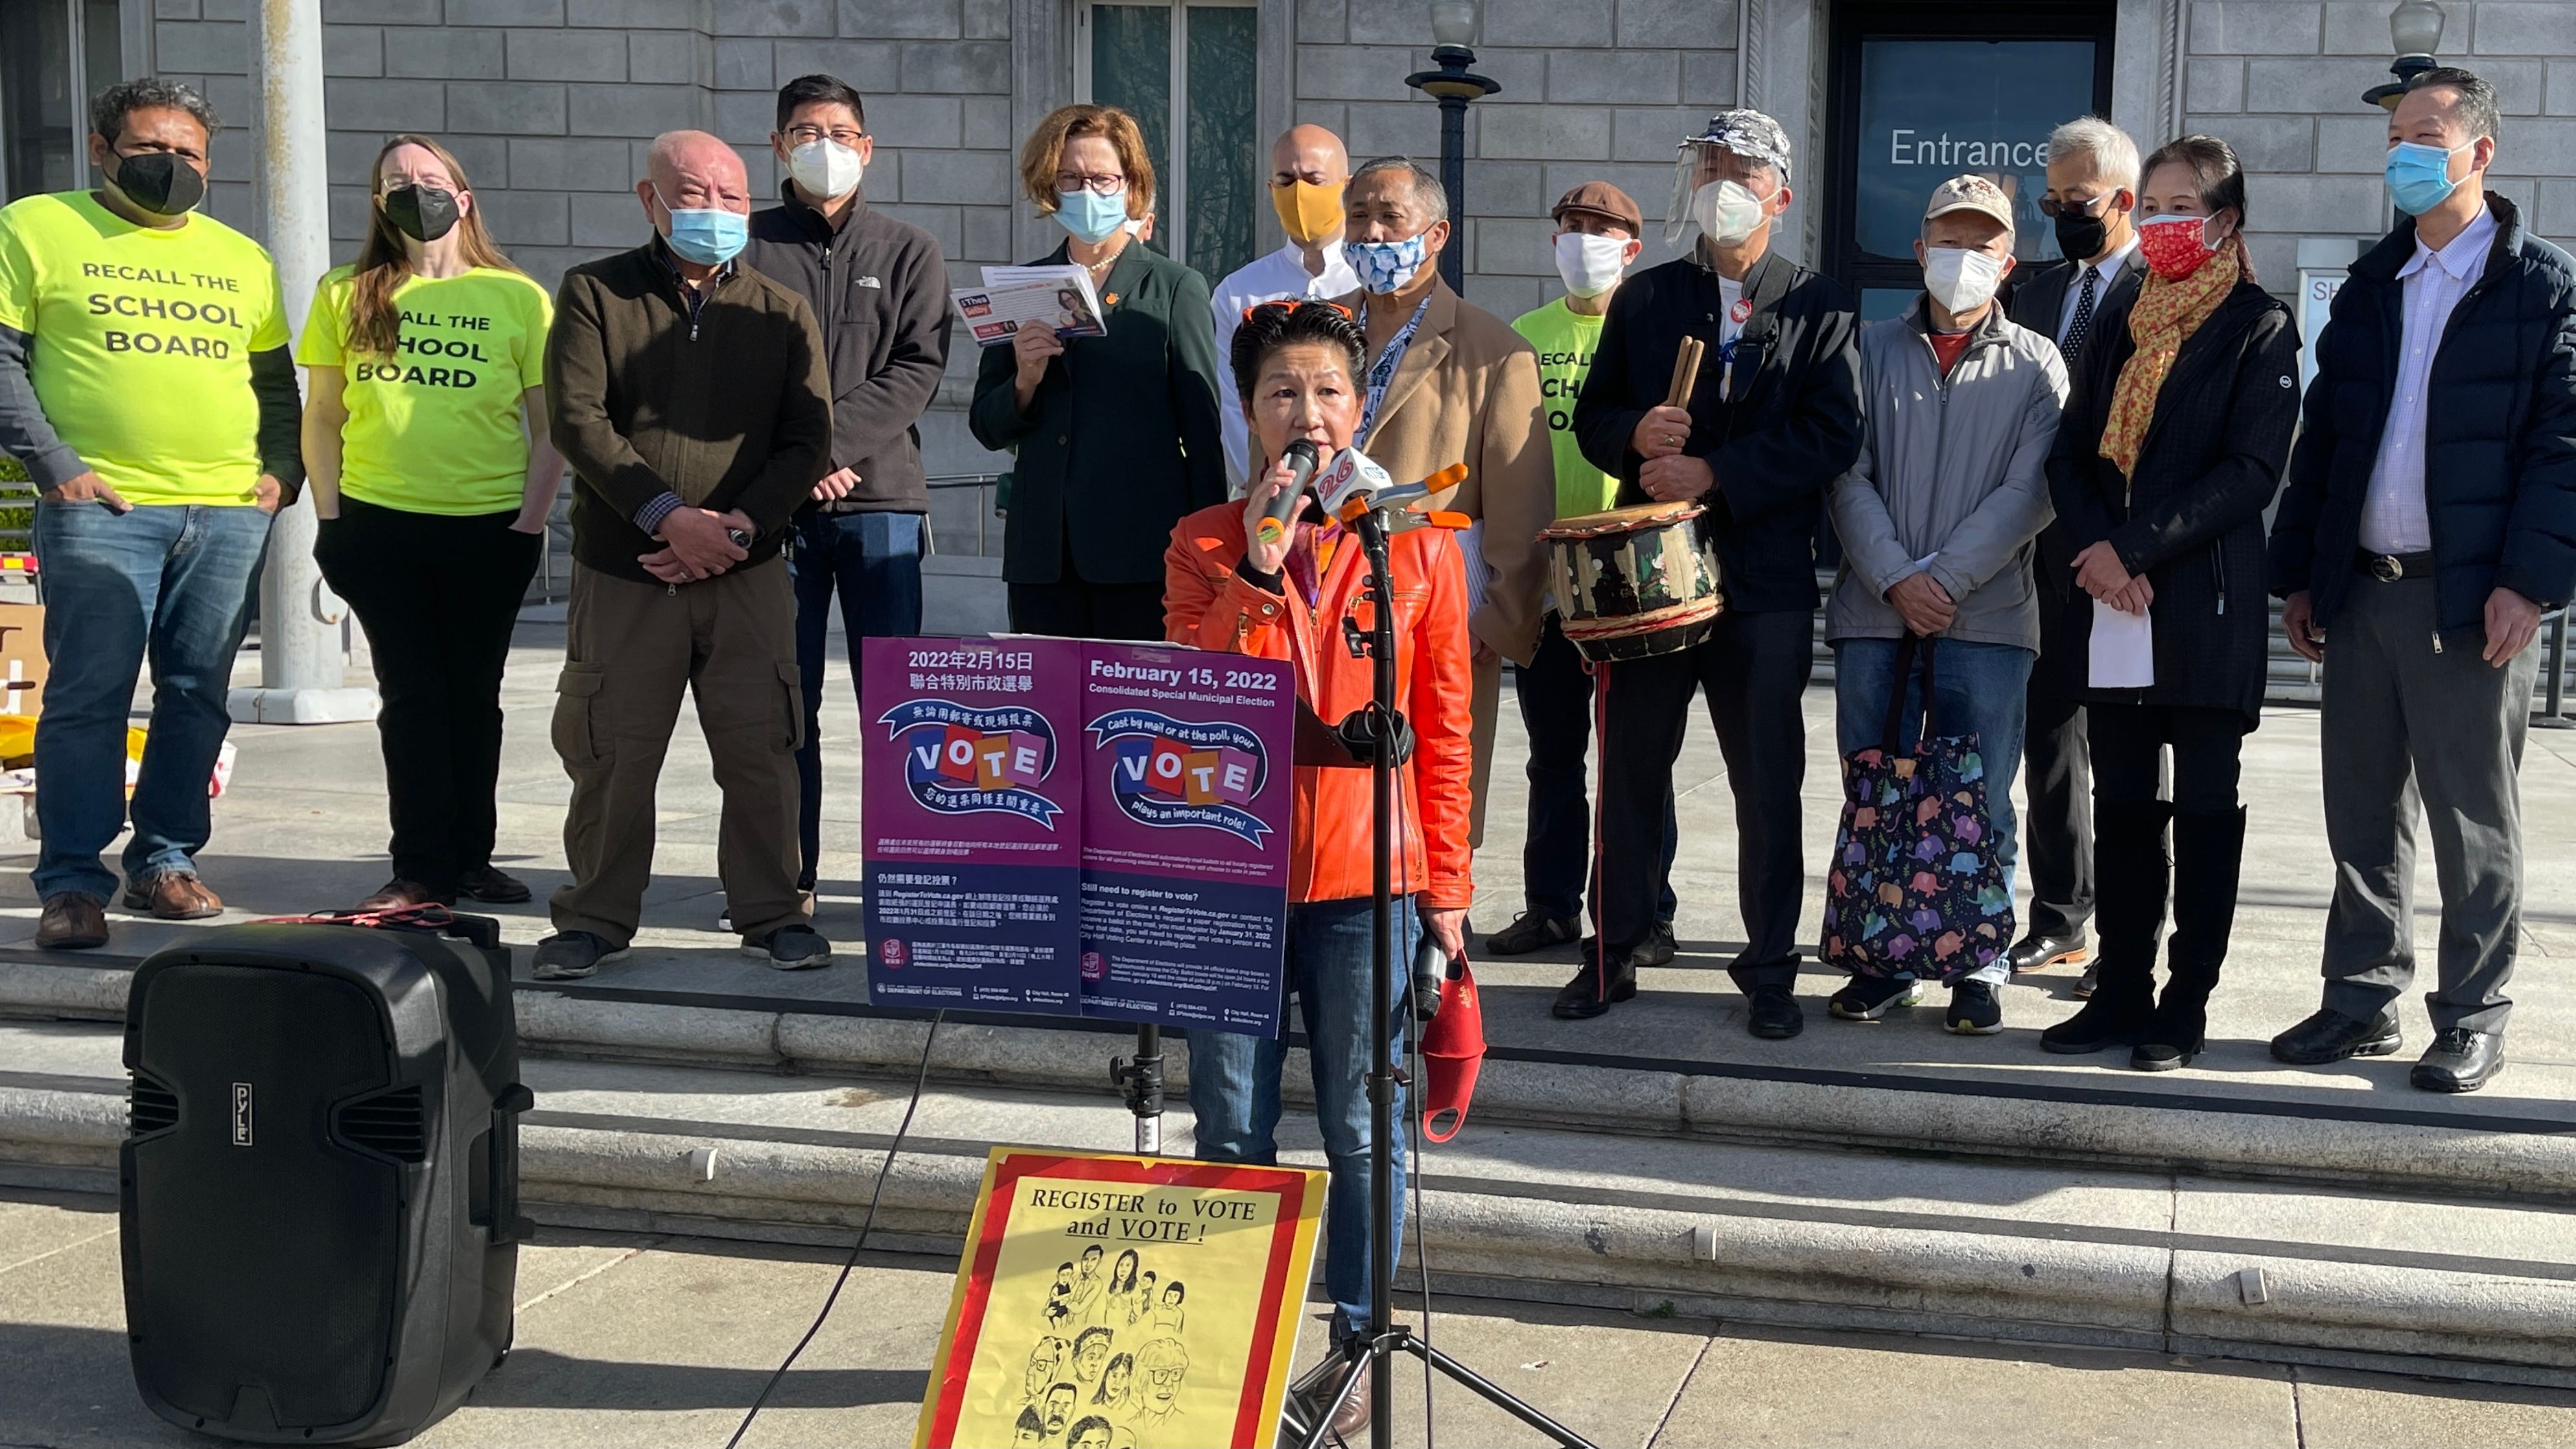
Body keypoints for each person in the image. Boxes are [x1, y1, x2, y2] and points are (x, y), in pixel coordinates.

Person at [1166, 301, 1472, 1439]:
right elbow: (1196, 700)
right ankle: (1222, 1347)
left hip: (1369, 883)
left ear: (1360, 408)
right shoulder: (1200, 539)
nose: (1306, 415)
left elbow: (1443, 727)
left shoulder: (1418, 545)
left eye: (1327, 393)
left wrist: (1445, 889)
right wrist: (1254, 567)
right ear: (1248, 413)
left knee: (1359, 1125)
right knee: (1231, 1126)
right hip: (1228, 882)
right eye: (1281, 394)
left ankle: (1350, 1351)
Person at [2268, 69, 2576, 1094]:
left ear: (2479, 151)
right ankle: (2359, 997)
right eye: (2396, 133)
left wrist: (2528, 582)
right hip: (2361, 589)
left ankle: (2474, 1012)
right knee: (2361, 810)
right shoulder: (2372, 281)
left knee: (2470, 818)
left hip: (2467, 598)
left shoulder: (2539, 283)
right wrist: (2302, 573)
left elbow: (2561, 446)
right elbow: (2326, 438)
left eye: (2424, 132)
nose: (2402, 149)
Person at [1569, 109, 1864, 1038]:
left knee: (1766, 781)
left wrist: (1717, 473)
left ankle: (1769, 966)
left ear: (1780, 188)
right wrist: (1633, 433)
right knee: (1626, 766)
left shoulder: (1821, 305)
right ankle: (1612, 948)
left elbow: (1832, 433)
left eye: (1742, 168)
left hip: (1762, 579)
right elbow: (1595, 413)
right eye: (1708, 164)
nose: (1722, 182)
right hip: (1648, 576)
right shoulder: (1648, 297)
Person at [0, 79, 300, 951]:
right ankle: (71, 882)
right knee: (89, 695)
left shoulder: (241, 257)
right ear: (101, 150)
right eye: (148, 149)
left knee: (198, 693)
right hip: (106, 506)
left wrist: (281, 471)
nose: (170, 166)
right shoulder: (34, 226)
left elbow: (274, 382)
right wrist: (56, 468)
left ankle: (165, 859)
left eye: (188, 154)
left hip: (228, 507)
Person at [532, 130, 834, 980]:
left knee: (762, 743)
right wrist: (667, 518)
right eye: (694, 194)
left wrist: (735, 528)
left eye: (733, 196)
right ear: (650, 198)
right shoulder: (596, 293)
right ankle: (593, 914)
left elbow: (807, 435)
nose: (716, 211)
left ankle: (775, 910)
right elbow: (579, 421)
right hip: (628, 571)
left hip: (749, 568)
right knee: (612, 749)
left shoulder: (778, 310)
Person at [2038, 135, 2298, 1071]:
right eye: (2149, 204)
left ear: (2225, 218)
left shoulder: (2257, 323)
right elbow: (2069, 454)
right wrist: (2099, 553)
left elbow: (2249, 472)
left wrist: (2132, 547)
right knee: (2122, 805)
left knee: (2199, 804)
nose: (2161, 223)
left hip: (2204, 606)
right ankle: (2118, 986)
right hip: (2115, 603)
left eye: (2181, 204)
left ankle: (2183, 997)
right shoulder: (2119, 317)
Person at [1824, 174, 2068, 1034]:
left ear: (2007, 262)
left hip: (1989, 618)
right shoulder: (1862, 349)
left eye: (1982, 244)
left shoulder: (2038, 363)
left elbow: (2030, 490)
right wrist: (1896, 576)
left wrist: (1945, 580)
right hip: (1874, 611)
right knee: (1877, 788)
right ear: (1920, 249)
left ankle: (1976, 958)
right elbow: (1843, 475)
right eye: (1947, 240)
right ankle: (1883, 957)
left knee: (1977, 796)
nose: (1962, 258)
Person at [298, 134, 561, 912]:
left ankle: (470, 860)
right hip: (380, 528)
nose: (415, 190)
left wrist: (531, 520)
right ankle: (418, 865)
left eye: (429, 177)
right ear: (379, 203)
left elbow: (552, 424)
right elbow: (321, 415)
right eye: (396, 182)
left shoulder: (518, 297)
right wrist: (330, 517)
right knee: (410, 696)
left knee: (474, 697)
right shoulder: (347, 291)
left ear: (464, 195)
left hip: (489, 528)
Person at [745, 73, 953, 907]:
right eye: (804, 131)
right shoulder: (747, 246)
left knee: (894, 704)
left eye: (838, 131)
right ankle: (782, 875)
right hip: (774, 512)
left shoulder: (908, 250)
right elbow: (734, 372)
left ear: (867, 147)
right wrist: (795, 463)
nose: (821, 146)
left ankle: (902, 874)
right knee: (782, 702)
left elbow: (918, 369)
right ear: (779, 146)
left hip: (882, 508)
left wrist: (822, 446)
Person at [1483, 180, 1680, 997]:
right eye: (1568, 227)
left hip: (1626, 579)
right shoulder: (1522, 335)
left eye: (1599, 230)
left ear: (1632, 247)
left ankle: (1646, 913)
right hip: (1545, 578)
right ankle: (1551, 904)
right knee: (1552, 757)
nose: (1581, 240)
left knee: (1636, 760)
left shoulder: (1650, 330)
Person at [1329, 156, 1551, 863]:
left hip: (1436, 613)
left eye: (1388, 217)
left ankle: (1428, 954)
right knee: (1328, 794)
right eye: (1358, 216)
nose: (1370, 232)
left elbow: (1522, 507)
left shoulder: (1496, 353)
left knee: (1430, 804)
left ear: (1435, 234)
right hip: (1322, 604)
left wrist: (1497, 616)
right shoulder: (1313, 335)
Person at [973, 104, 1225, 641]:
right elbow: (987, 425)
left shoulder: (1174, 287)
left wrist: (1209, 551)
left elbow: (1202, 432)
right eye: (1071, 177)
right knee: (1047, 711)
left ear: (1130, 184)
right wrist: (1025, 379)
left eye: (1103, 178)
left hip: (1139, 552)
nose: (1087, 190)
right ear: (1050, 185)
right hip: (1043, 552)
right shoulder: (1022, 285)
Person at [2004, 115, 2148, 993]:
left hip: (2129, 558)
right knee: (2048, 741)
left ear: (2122, 200)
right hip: (2042, 555)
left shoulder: (2161, 293)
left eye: (2077, 199)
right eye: (2050, 199)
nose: (2060, 212)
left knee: (2131, 756)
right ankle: (2060, 919)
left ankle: (2132, 935)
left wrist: (2124, 544)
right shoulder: (2032, 295)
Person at [1209, 123, 1361, 489]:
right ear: (1270, 189)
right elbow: (1230, 402)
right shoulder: (1238, 290)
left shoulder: (1367, 284)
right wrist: (1251, 478)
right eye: (1286, 180)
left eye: (1313, 179)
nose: (1299, 193)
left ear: (1346, 186)